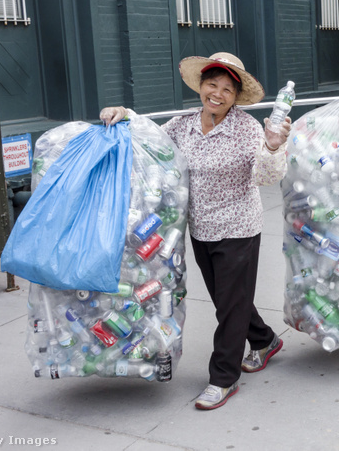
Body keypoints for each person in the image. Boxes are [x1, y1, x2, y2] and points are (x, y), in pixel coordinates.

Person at [100, 52, 290, 410]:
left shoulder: (248, 129)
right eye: (211, 85)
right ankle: (265, 340)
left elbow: (267, 176)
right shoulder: (183, 125)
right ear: (201, 86)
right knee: (228, 300)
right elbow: (149, 140)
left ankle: (223, 378)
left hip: (237, 227)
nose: (217, 94)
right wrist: (125, 115)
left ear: (235, 96)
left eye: (227, 90)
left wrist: (274, 145)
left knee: (229, 307)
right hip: (199, 228)